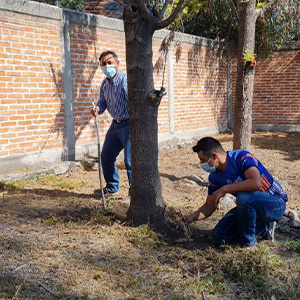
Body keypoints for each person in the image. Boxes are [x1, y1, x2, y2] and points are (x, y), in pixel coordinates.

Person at [184, 137, 288, 248]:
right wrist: (191, 217)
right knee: (219, 235)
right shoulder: (215, 176)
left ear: (214, 156)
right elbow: (210, 206)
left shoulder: (242, 157)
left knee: (244, 198)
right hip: (249, 208)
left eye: (203, 160)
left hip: (275, 203)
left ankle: (249, 244)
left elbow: (256, 184)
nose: (201, 164)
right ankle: (263, 228)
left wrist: (224, 189)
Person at [91, 50, 131, 196]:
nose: (107, 66)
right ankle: (112, 187)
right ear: (100, 66)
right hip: (115, 125)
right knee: (106, 157)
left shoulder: (125, 80)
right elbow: (102, 102)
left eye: (110, 63)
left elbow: (132, 101)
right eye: (104, 64)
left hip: (129, 125)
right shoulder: (104, 84)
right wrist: (97, 109)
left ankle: (134, 194)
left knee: (130, 161)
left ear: (117, 64)